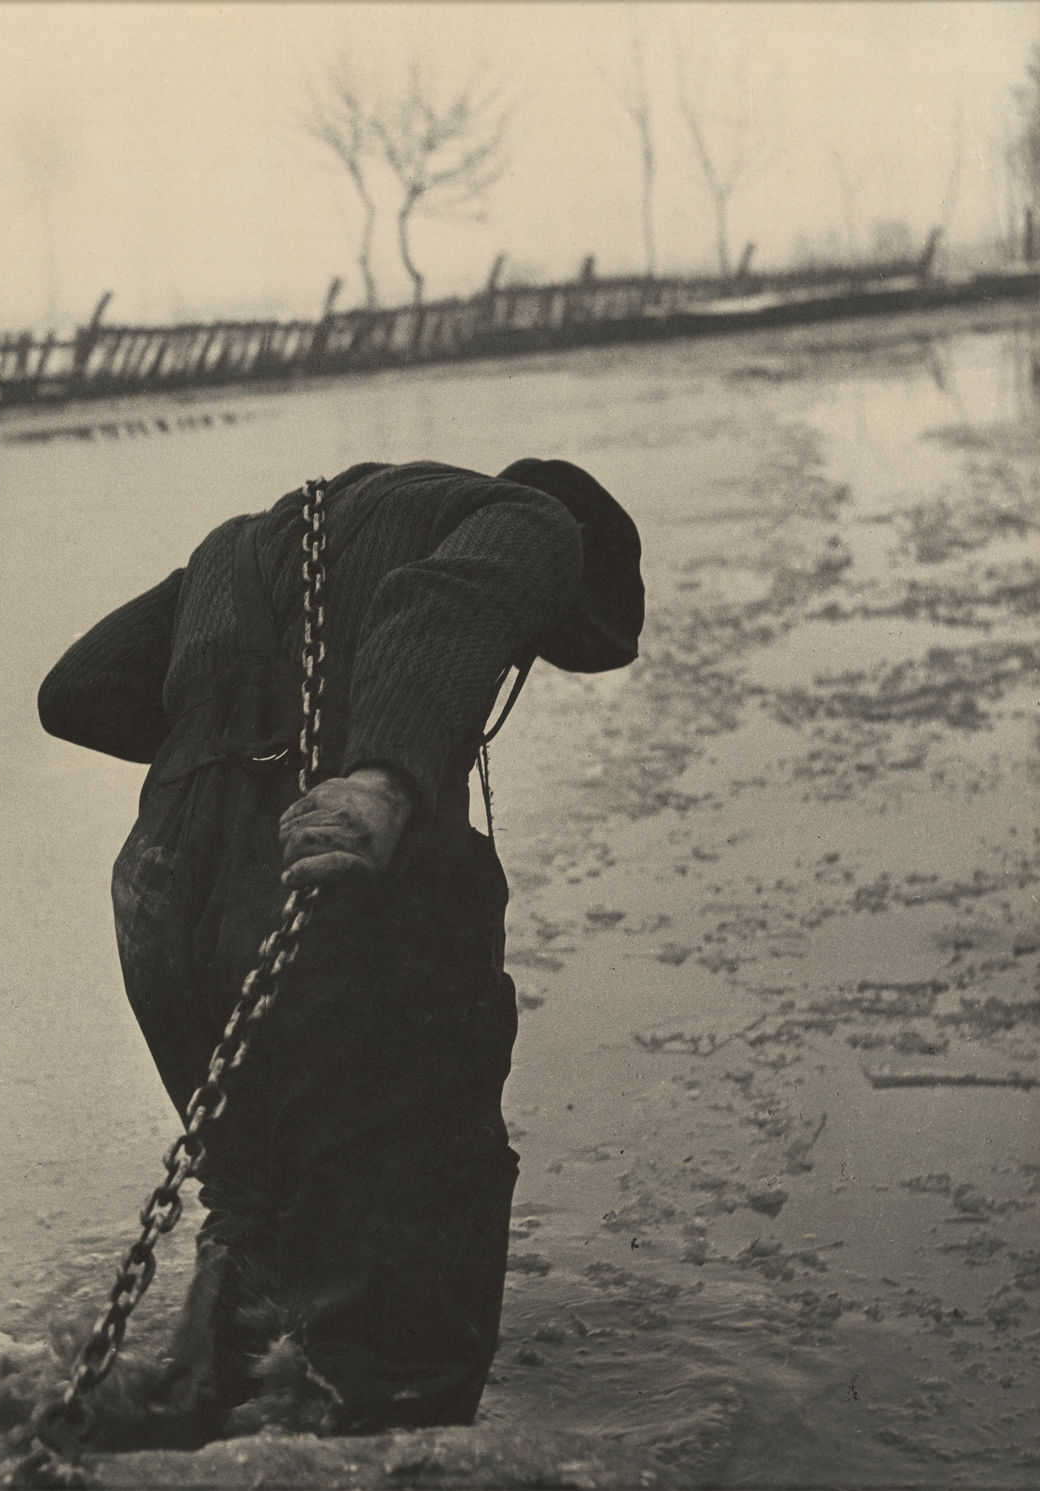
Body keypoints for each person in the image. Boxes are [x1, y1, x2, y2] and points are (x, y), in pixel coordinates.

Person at [36, 456, 644, 1446]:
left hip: (160, 891)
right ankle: (386, 1438)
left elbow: (76, 690)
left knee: (250, 1194)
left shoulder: (242, 545)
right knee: (419, 1191)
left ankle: (211, 1414)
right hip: (334, 879)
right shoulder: (529, 519)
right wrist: (382, 771)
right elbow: (445, 601)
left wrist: (220, 754)